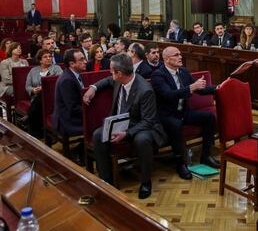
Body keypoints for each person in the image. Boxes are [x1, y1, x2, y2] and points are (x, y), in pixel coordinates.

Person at [83, 53, 167, 199]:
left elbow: (148, 121)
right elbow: (107, 80)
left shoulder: (145, 90)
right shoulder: (118, 79)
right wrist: (93, 87)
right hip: (120, 122)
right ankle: (106, 181)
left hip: (141, 125)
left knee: (142, 140)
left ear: (119, 73)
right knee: (98, 135)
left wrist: (127, 133)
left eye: (111, 70)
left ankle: (146, 182)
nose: (110, 73)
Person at [151, 46, 220, 180]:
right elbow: (168, 95)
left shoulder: (183, 71)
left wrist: (218, 88)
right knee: (176, 125)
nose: (180, 57)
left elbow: (200, 90)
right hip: (167, 115)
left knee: (209, 117)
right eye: (176, 55)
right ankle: (180, 163)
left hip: (183, 112)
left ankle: (206, 155)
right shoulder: (158, 75)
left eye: (180, 54)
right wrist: (191, 88)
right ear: (166, 59)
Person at [25, 49, 63, 138]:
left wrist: (43, 88)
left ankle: (30, 121)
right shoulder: (33, 70)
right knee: (39, 97)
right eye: (45, 57)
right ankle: (35, 133)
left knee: (42, 94)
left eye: (50, 56)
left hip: (52, 98)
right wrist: (33, 90)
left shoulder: (57, 69)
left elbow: (59, 84)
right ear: (40, 60)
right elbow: (27, 86)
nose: (48, 58)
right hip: (36, 97)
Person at [52, 49, 86, 136]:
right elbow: (73, 108)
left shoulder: (74, 74)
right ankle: (82, 148)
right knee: (99, 124)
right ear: (72, 64)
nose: (85, 62)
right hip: (67, 121)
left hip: (72, 116)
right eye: (81, 60)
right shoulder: (67, 80)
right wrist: (91, 111)